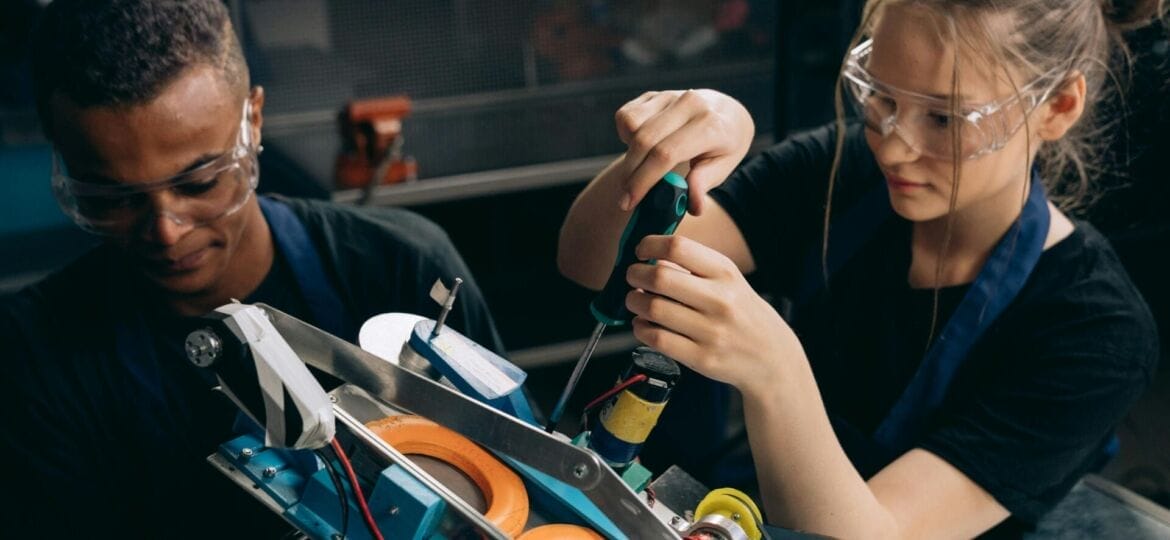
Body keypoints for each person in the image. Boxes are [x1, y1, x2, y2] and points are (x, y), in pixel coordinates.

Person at [559, 0, 1163, 537]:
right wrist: (671, 151)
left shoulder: (1097, 333)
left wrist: (776, 372)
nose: (895, 146)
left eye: (945, 119)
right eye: (883, 97)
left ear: (1057, 108)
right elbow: (590, 265)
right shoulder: (846, 172)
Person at [0, 0, 502, 537]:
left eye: (199, 182)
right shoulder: (30, 354)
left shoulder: (402, 270)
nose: (166, 230)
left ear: (253, 119)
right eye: (113, 199)